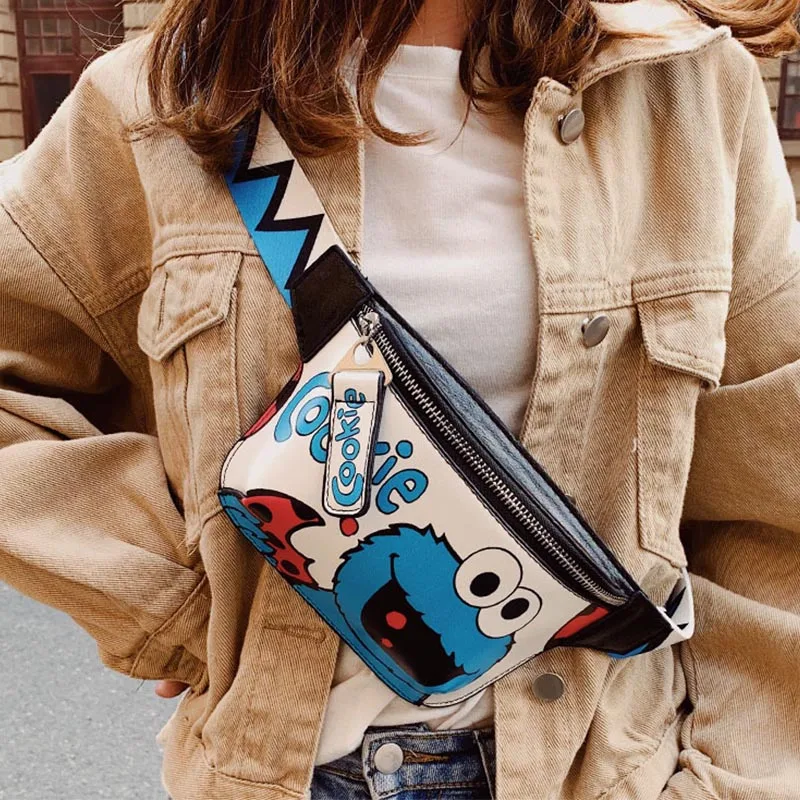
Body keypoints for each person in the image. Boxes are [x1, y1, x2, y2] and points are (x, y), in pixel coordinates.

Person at [2, 0, 799, 797]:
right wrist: (175, 605)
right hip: (279, 772)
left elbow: (772, 480)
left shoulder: (684, 84)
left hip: (605, 770)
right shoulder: (165, 100)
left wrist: (734, 779)